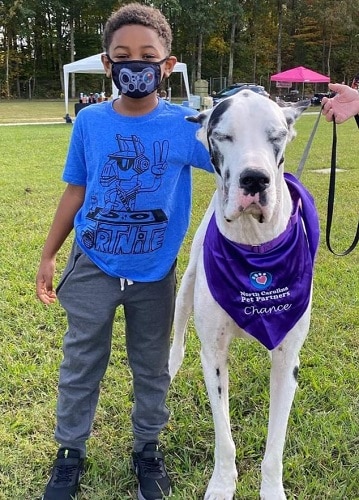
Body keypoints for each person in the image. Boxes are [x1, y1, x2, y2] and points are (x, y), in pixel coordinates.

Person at [36, 3, 212, 499]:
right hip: (93, 263)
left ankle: (147, 449)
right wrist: (49, 254)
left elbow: (238, 159)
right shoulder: (90, 122)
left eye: (148, 56)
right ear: (108, 65)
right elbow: (75, 190)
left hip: (155, 274)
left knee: (151, 365)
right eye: (123, 56)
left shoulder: (186, 126)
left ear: (168, 65)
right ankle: (69, 452)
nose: (137, 65)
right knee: (81, 361)